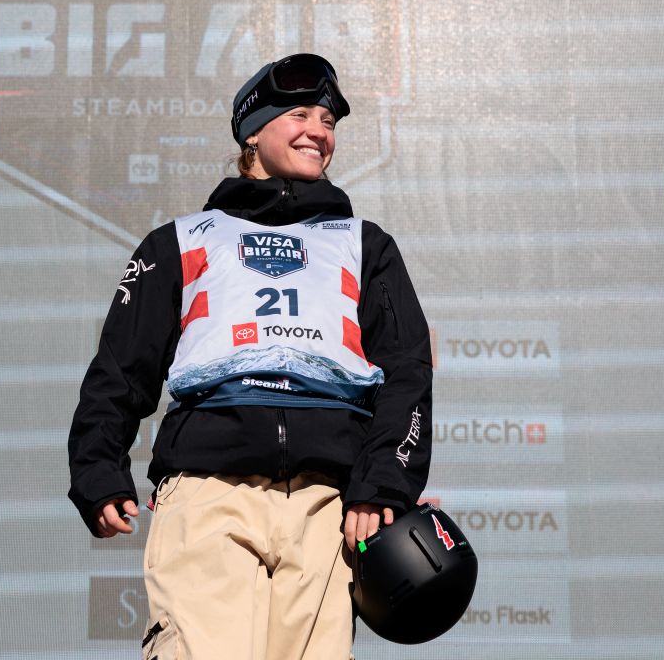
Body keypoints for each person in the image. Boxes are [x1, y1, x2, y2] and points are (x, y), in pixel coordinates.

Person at [67, 53, 432, 659]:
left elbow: (406, 374)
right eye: (299, 114)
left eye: (328, 121)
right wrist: (97, 468)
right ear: (252, 132)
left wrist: (382, 486)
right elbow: (121, 368)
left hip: (326, 502)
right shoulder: (181, 240)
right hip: (208, 490)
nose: (319, 130)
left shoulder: (366, 246)